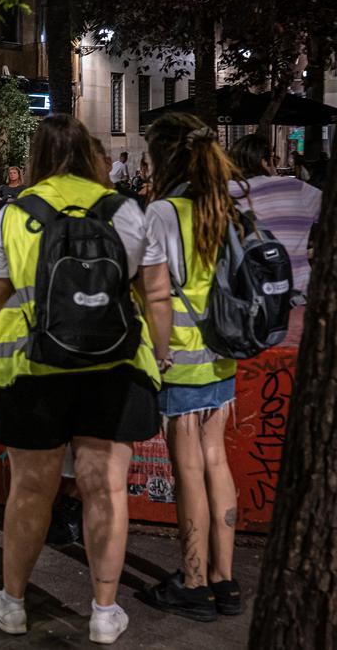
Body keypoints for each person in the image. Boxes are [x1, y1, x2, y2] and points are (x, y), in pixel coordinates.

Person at [0, 114, 171, 645]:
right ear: (91, 155)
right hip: (114, 367)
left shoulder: (18, 211)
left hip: (34, 369)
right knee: (104, 486)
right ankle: (105, 612)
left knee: (31, 488)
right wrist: (163, 354)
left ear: (37, 156)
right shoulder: (127, 210)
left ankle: (12, 603)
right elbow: (156, 294)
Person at [139, 115, 246, 622]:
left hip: (181, 360)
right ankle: (225, 580)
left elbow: (157, 295)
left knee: (188, 472)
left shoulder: (162, 213)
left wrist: (158, 357)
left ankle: (195, 581)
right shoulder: (224, 203)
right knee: (215, 462)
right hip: (222, 355)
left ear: (163, 157)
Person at [227, 133, 322, 295]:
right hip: (296, 290)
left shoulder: (223, 192)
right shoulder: (296, 189)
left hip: (242, 294)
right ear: (264, 161)